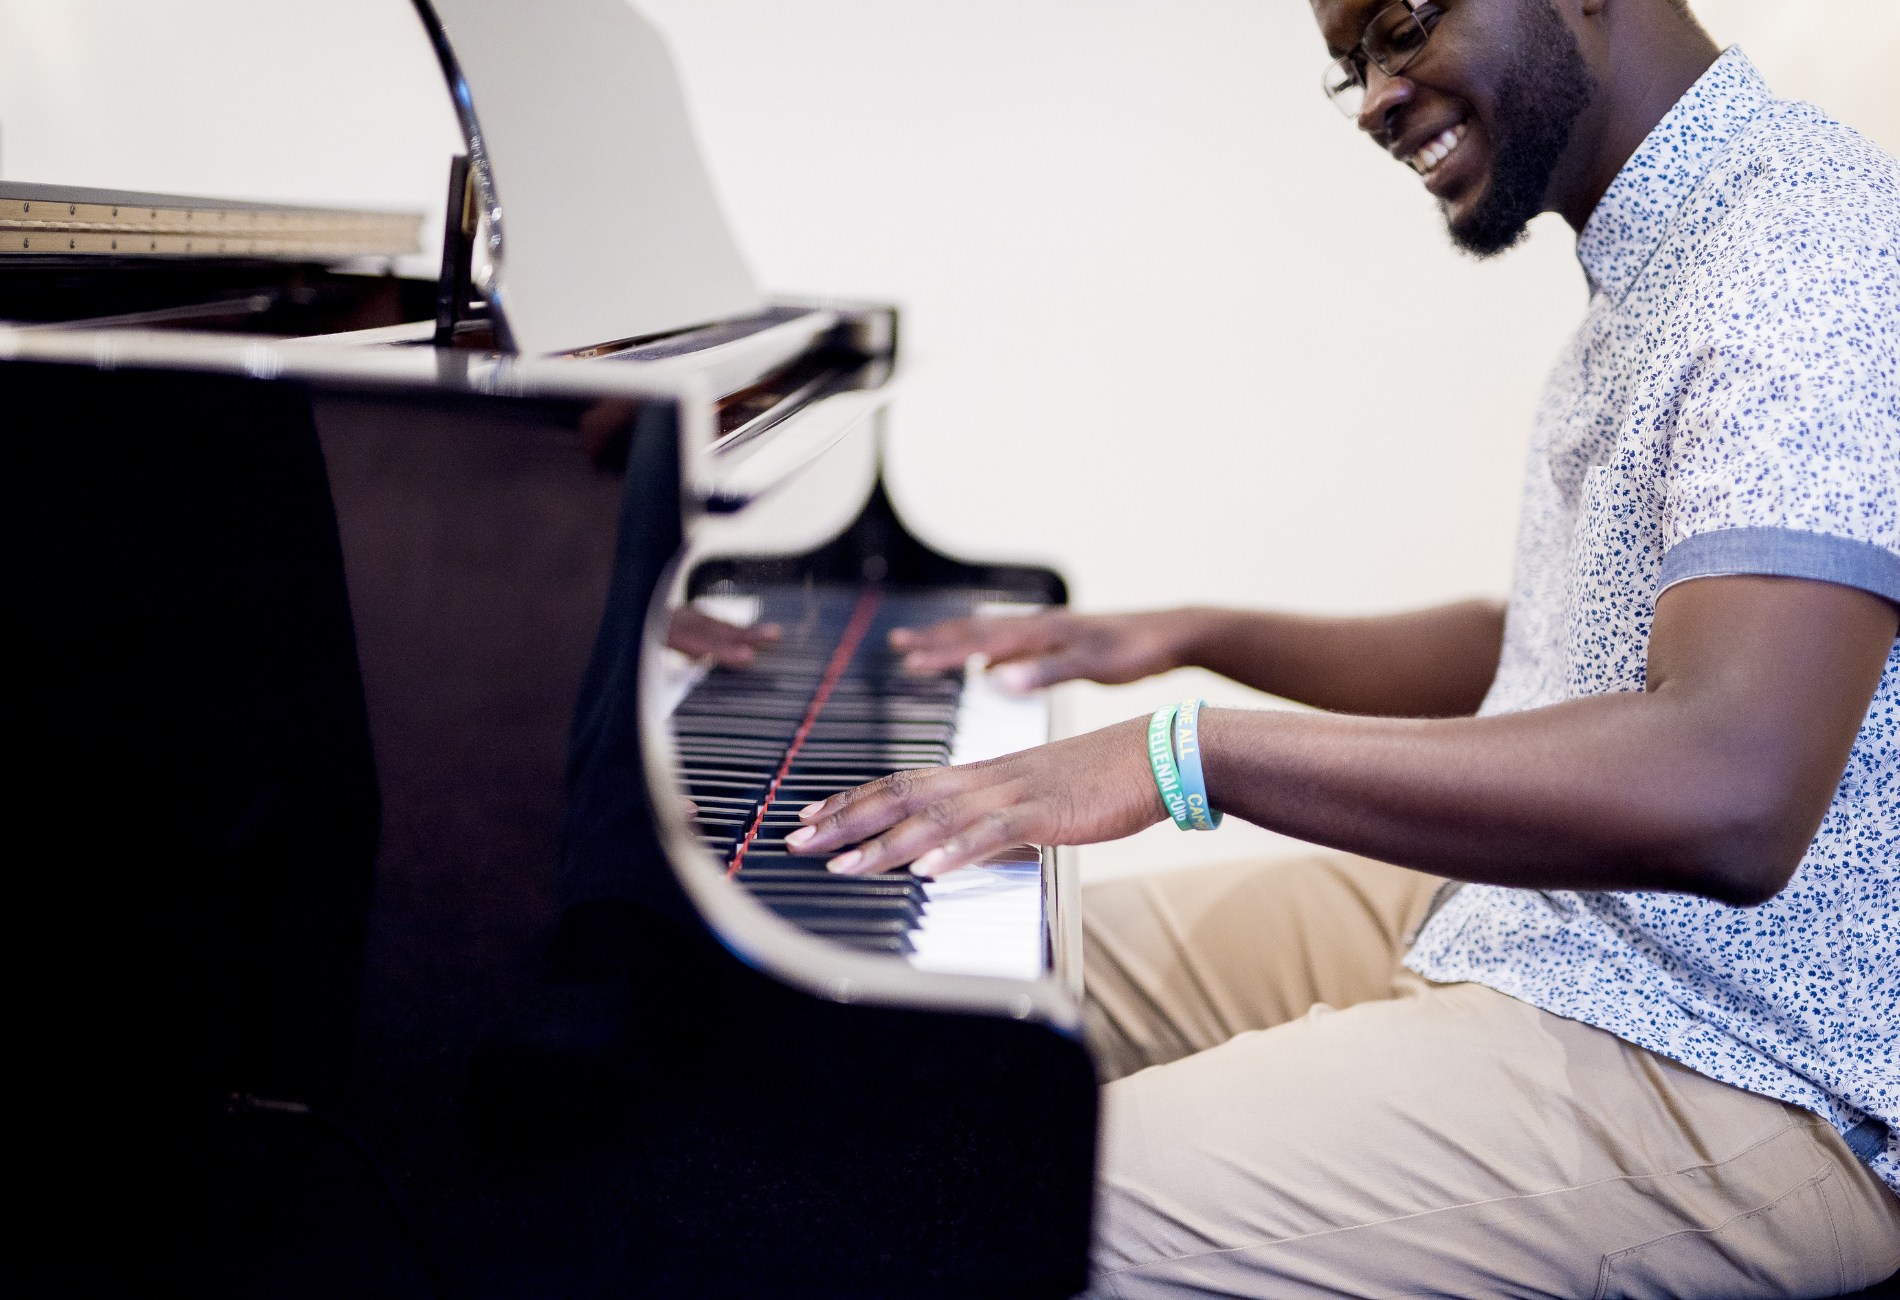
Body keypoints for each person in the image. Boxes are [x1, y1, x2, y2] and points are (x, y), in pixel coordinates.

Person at [779, 0, 1900, 1294]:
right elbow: (1534, 657)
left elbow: (1730, 787)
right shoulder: (1661, 260)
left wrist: (1187, 754)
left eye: (1403, 23)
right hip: (1543, 927)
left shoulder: (1802, 243)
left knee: (954, 1208)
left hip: (1741, 1063)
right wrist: (1192, 637)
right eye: (1351, 64)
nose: (1374, 96)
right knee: (910, 992)